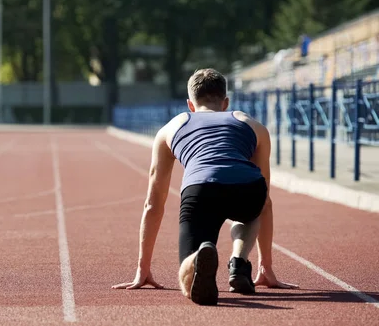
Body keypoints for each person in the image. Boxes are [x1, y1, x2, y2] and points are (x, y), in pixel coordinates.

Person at [112, 68, 298, 305]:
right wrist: (267, 266)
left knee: (188, 279)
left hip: (200, 190)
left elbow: (153, 203)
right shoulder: (251, 125)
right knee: (251, 213)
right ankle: (240, 263)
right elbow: (266, 202)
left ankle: (198, 257)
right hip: (248, 189)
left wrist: (143, 267)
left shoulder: (171, 127)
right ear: (226, 102)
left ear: (190, 104)